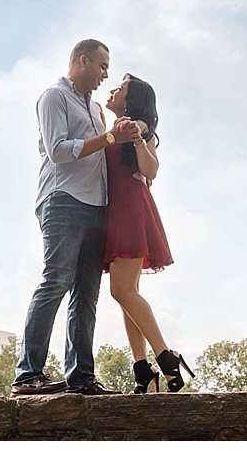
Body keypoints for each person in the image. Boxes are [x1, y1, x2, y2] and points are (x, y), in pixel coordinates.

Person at [11, 39, 143, 396]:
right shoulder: (54, 96)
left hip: (97, 206)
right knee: (56, 281)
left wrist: (124, 137)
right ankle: (27, 375)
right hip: (63, 200)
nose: (105, 75)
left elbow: (104, 152)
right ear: (82, 61)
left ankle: (81, 378)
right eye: (102, 66)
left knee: (87, 294)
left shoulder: (97, 109)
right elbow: (58, 151)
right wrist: (109, 137)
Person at [98, 73, 194, 393]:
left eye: (121, 88)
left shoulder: (137, 126)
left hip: (130, 210)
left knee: (121, 291)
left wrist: (137, 135)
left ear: (132, 98)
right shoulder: (111, 129)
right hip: (117, 212)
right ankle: (142, 369)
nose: (113, 89)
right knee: (127, 293)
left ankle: (165, 356)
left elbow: (151, 170)